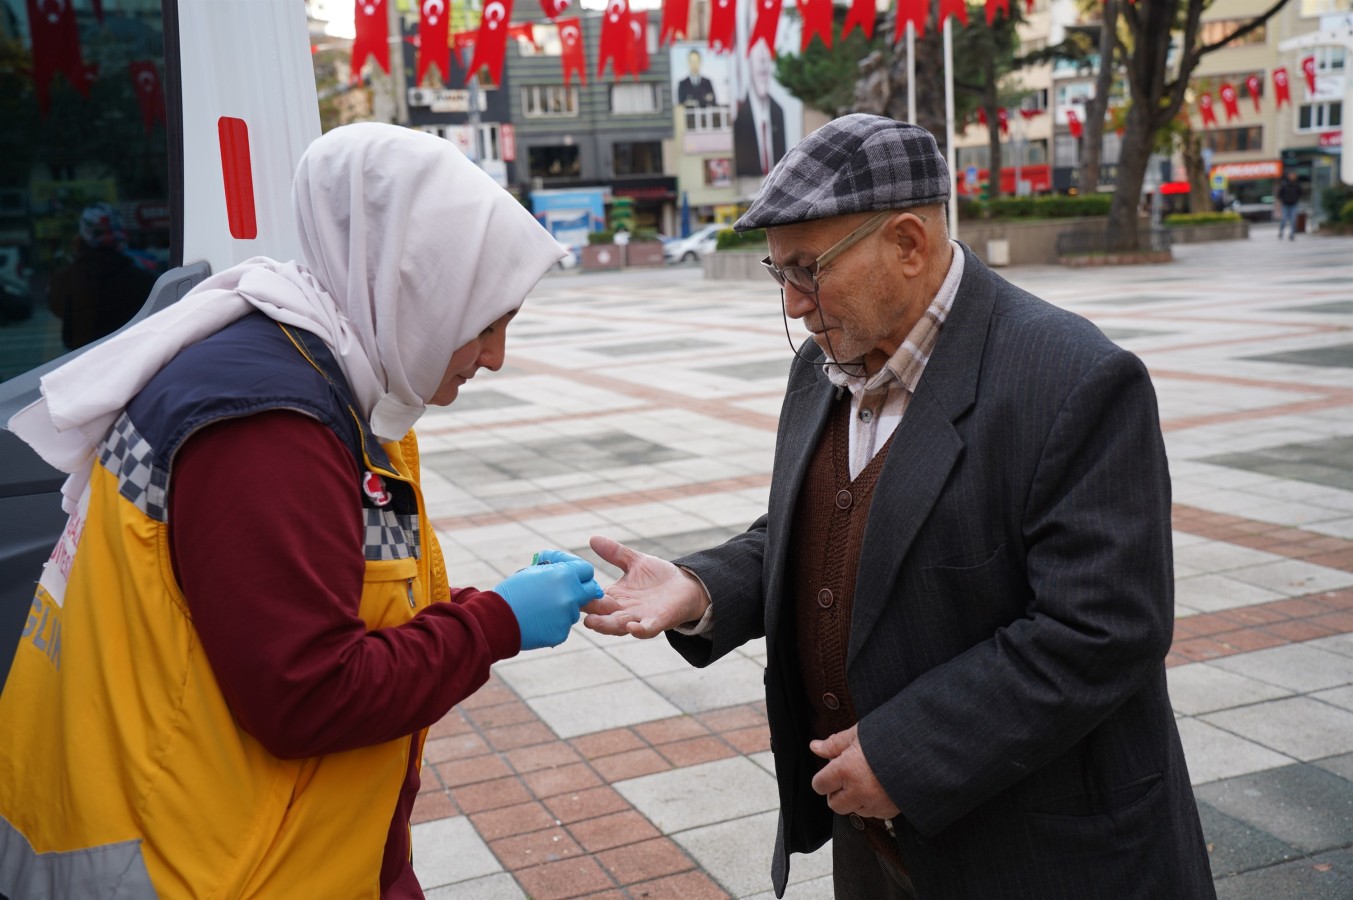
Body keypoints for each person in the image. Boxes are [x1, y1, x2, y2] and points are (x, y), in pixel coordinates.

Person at [580, 115, 1216, 899]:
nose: (793, 304)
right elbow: (819, 525)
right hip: (879, 853)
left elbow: (1103, 627)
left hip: (1040, 854)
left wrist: (907, 754)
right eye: (776, 271)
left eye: (808, 270)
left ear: (909, 243)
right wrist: (703, 588)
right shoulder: (824, 365)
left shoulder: (1073, 378)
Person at [0, 123, 602, 899]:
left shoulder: (310, 373)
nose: (493, 356)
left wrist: (480, 605)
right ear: (413, 286)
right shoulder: (269, 421)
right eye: (485, 321)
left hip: (250, 844)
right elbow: (308, 694)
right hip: (207, 867)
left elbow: (295, 608)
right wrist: (496, 626)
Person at [47, 202, 159, 349]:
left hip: (79, 361)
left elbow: (57, 307)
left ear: (82, 237)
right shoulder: (142, 279)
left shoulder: (66, 279)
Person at [733, 37, 786, 177]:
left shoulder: (778, 112)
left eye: (766, 54)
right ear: (748, 62)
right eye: (757, 55)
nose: (763, 61)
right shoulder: (739, 116)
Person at [1276, 170, 1302, 240]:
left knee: (1293, 220)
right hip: (1285, 205)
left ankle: (1292, 234)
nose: (1292, 177)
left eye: (1293, 175)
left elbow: (1300, 193)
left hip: (1293, 205)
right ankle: (1281, 231)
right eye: (1291, 175)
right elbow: (1279, 194)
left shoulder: (1297, 184)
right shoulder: (1284, 184)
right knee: (1284, 219)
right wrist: (1282, 200)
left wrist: (1296, 199)